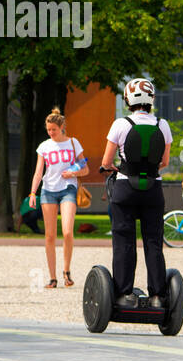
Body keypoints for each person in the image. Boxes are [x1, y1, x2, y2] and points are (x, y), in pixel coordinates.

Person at [99, 78, 172, 309]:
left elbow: (106, 161)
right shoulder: (163, 125)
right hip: (153, 189)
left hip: (125, 189)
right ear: (151, 99)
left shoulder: (120, 124)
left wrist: (116, 168)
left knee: (124, 241)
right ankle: (158, 296)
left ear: (128, 100)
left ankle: (124, 294)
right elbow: (165, 161)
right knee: (153, 242)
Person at [28, 108, 88, 288]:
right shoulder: (44, 146)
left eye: (53, 129)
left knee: (68, 231)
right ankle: (53, 278)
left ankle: (66, 271)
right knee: (50, 235)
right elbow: (39, 171)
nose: (51, 133)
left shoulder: (73, 143)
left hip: (68, 188)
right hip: (48, 191)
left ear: (62, 127)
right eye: (48, 130)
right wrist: (33, 192)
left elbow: (85, 168)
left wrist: (73, 172)